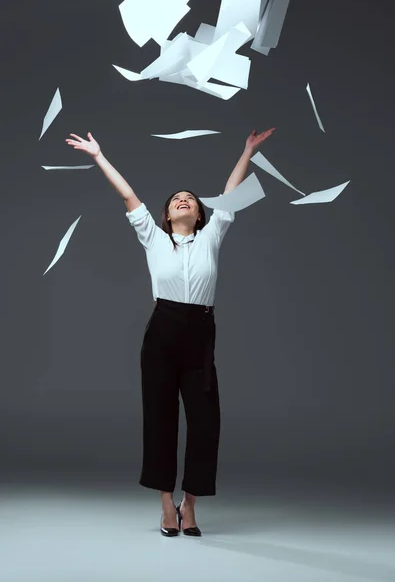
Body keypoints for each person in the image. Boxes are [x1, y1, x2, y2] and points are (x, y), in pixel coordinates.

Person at [66, 127, 275, 536]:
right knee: (160, 420)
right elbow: (128, 195)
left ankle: (190, 505)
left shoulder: (212, 236)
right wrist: (98, 155)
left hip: (199, 333)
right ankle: (166, 506)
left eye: (191, 200)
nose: (184, 200)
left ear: (200, 215)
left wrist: (247, 150)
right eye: (177, 199)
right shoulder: (153, 238)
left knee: (205, 423)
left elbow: (231, 195)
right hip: (161, 334)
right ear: (166, 215)